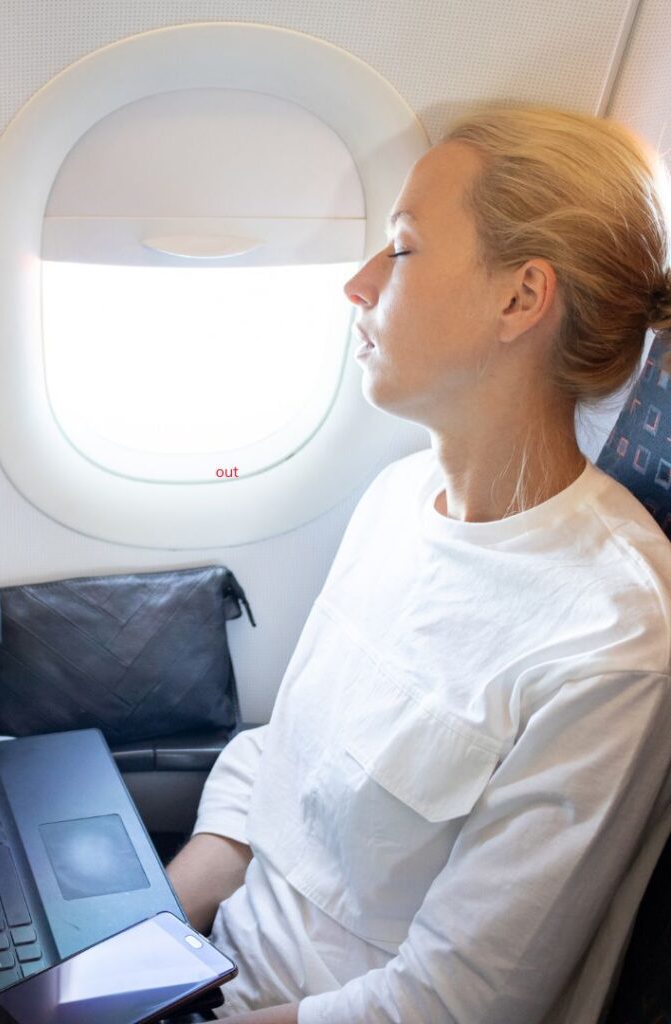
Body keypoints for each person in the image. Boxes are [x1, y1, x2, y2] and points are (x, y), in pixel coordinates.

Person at [165, 107, 671, 1024]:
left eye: (399, 251)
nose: (357, 286)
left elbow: (453, 1005)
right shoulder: (398, 501)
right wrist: (146, 931)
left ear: (520, 298)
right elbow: (282, 763)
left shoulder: (614, 636)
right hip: (207, 973)